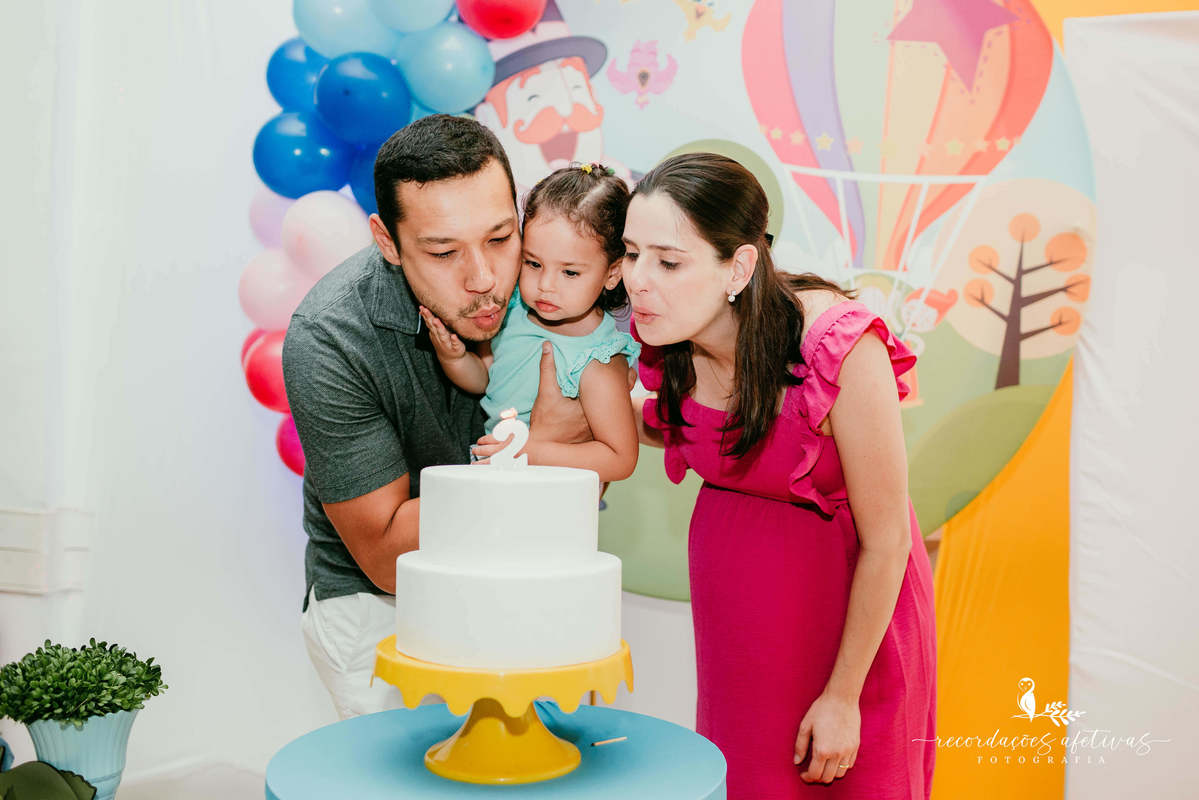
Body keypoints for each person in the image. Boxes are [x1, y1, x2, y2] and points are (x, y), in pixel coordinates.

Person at [622, 152, 936, 799]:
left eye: (668, 260)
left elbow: (889, 540)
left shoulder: (838, 345)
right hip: (742, 636)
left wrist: (844, 697)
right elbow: (674, 426)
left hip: (850, 631)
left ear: (738, 267)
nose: (637, 280)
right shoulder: (671, 349)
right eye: (630, 254)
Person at [281, 115, 597, 720]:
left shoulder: (550, 282)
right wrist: (539, 458)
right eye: (444, 252)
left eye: (501, 238)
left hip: (521, 579)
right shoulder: (329, 338)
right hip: (379, 608)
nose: (484, 279)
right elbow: (387, 554)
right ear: (387, 241)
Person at [422, 164, 640, 483]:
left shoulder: (599, 357)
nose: (545, 285)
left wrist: (534, 453)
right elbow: (486, 381)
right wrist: (454, 359)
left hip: (549, 500)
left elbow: (620, 459)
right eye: (534, 263)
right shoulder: (513, 312)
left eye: (570, 272)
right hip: (494, 483)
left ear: (612, 273)